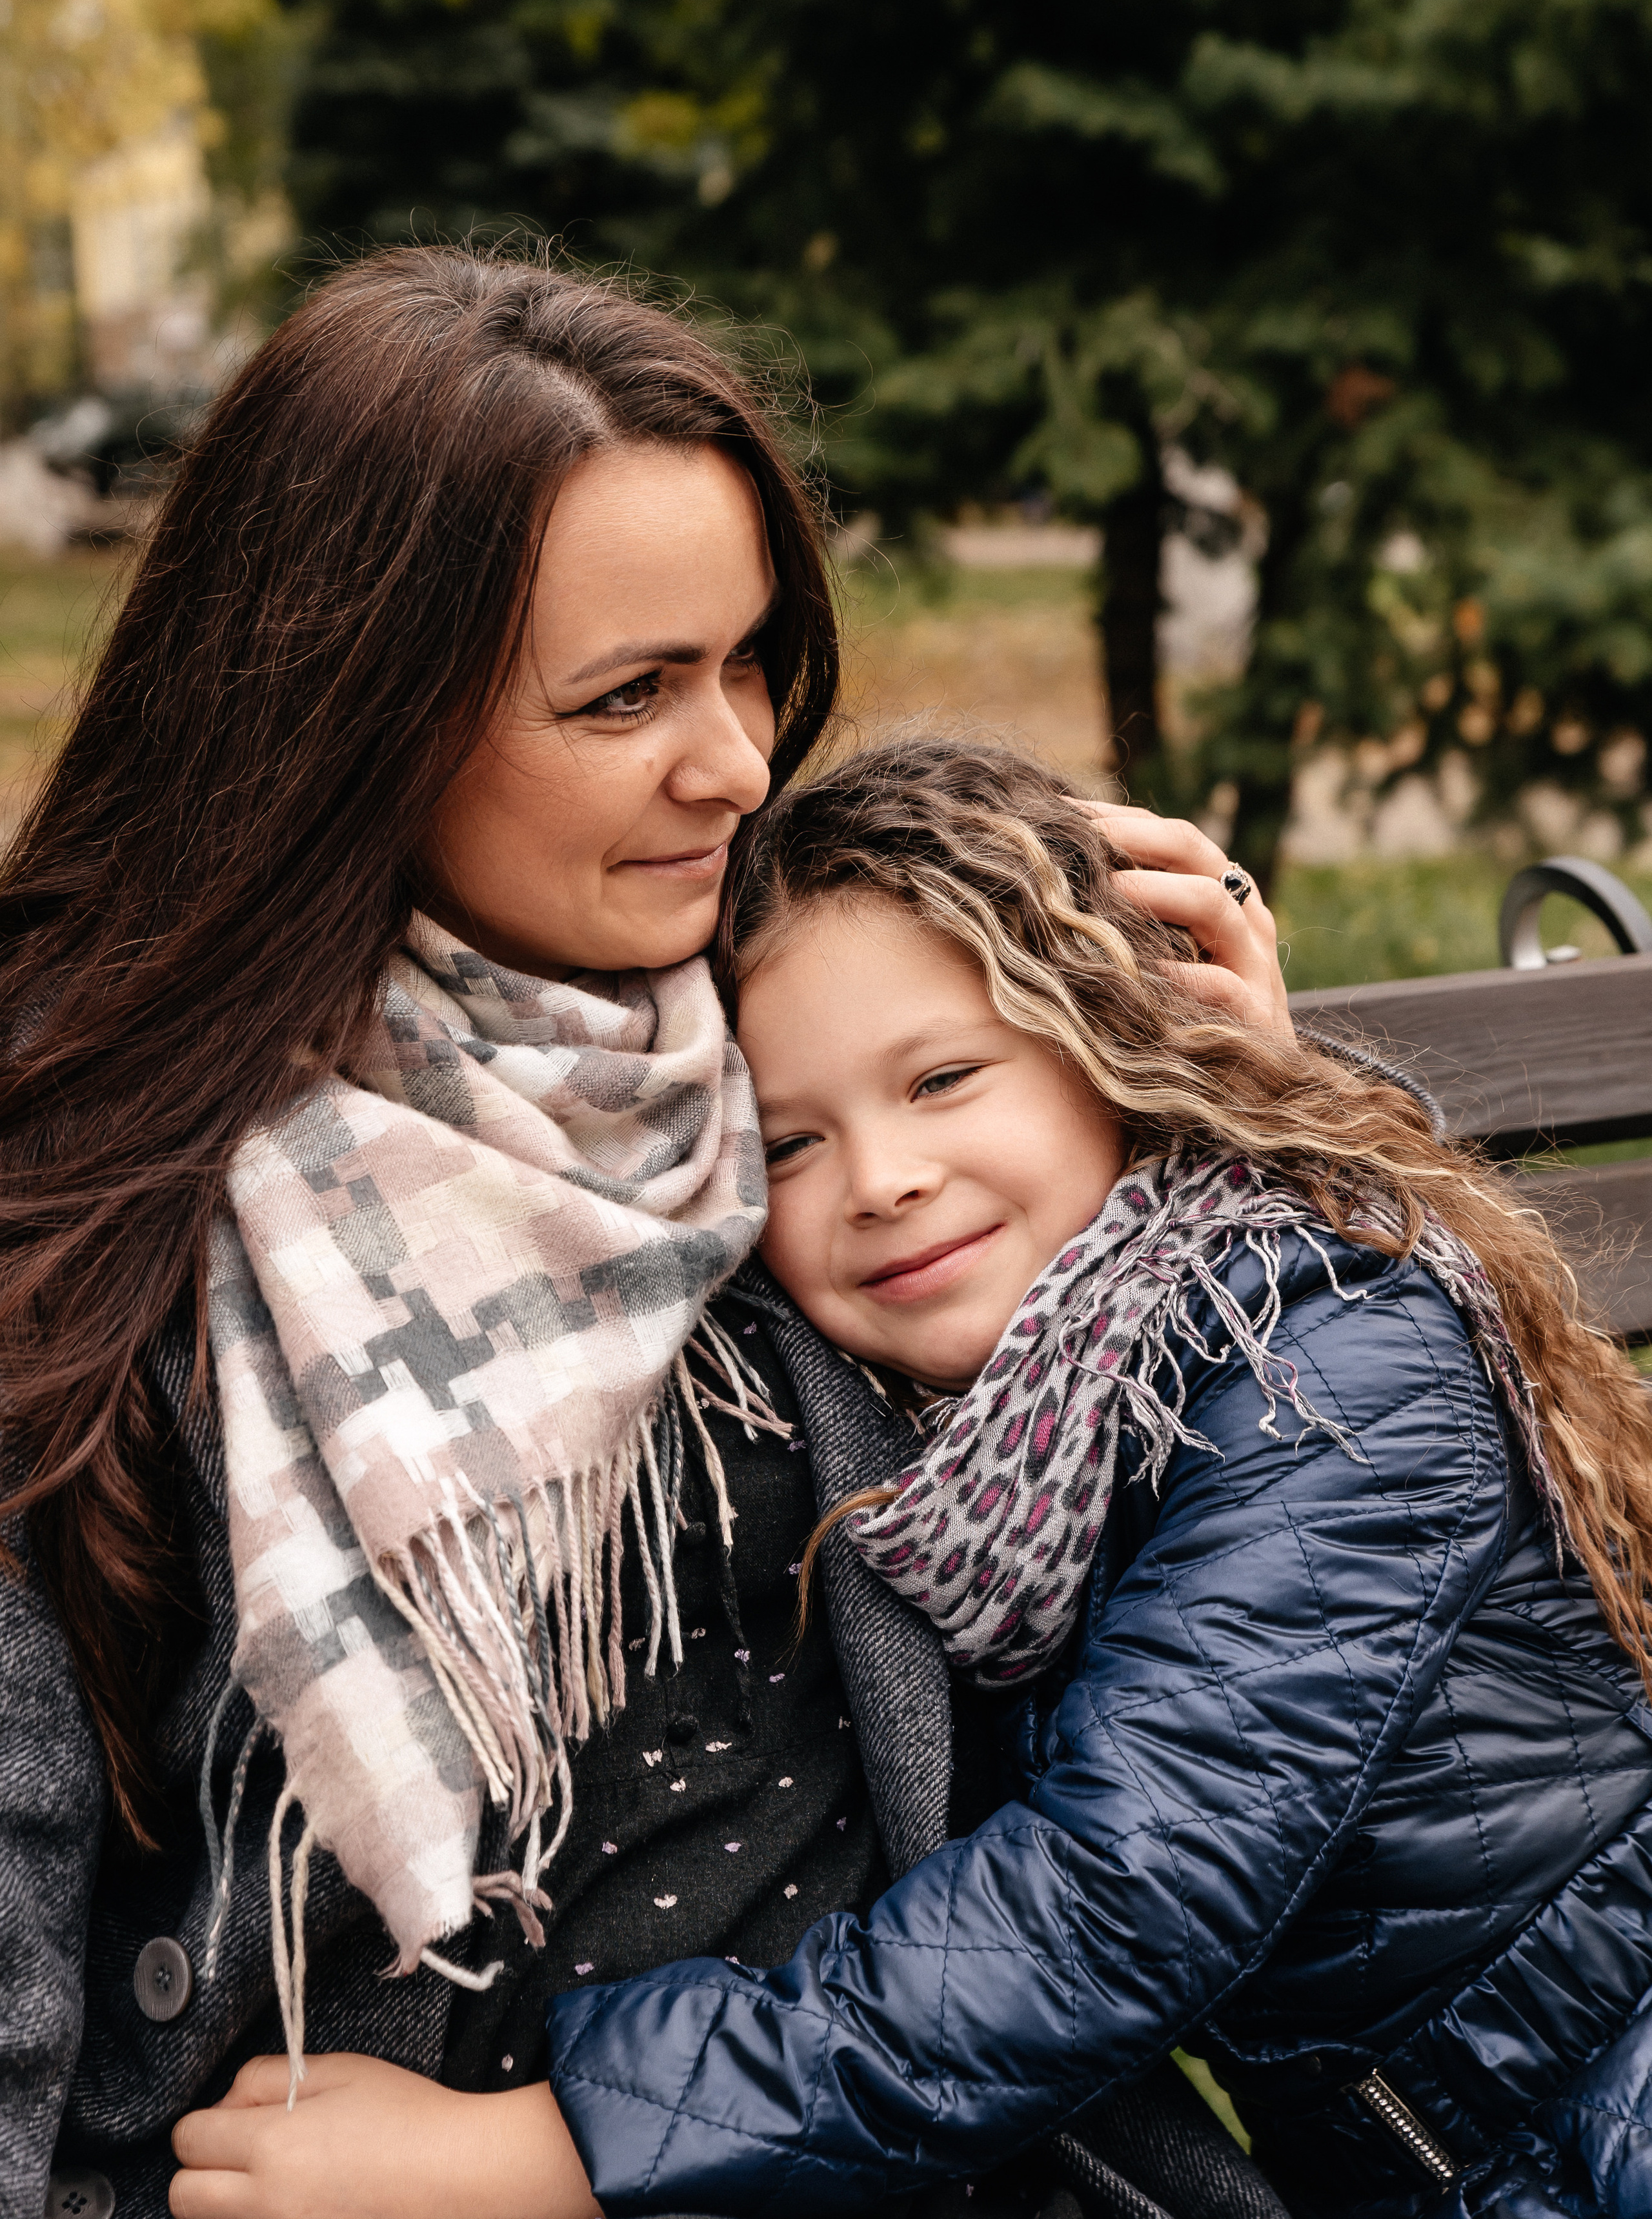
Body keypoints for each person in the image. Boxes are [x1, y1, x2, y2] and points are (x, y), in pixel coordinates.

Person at [0, 246, 1284, 2219]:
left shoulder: (819, 1060)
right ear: (357, 722)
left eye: (750, 659)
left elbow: (1205, 1662)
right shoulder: (97, 1228)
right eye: (629, 696)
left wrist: (1223, 1164)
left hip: (891, 2145)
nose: (744, 764)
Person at [169, 739, 1652, 2219]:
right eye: (794, 1143)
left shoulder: (1313, 1362)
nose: (878, 1178)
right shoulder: (1010, 1441)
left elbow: (1106, 1910)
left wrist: (549, 2153)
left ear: (1118, 1049)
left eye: (942, 1079)